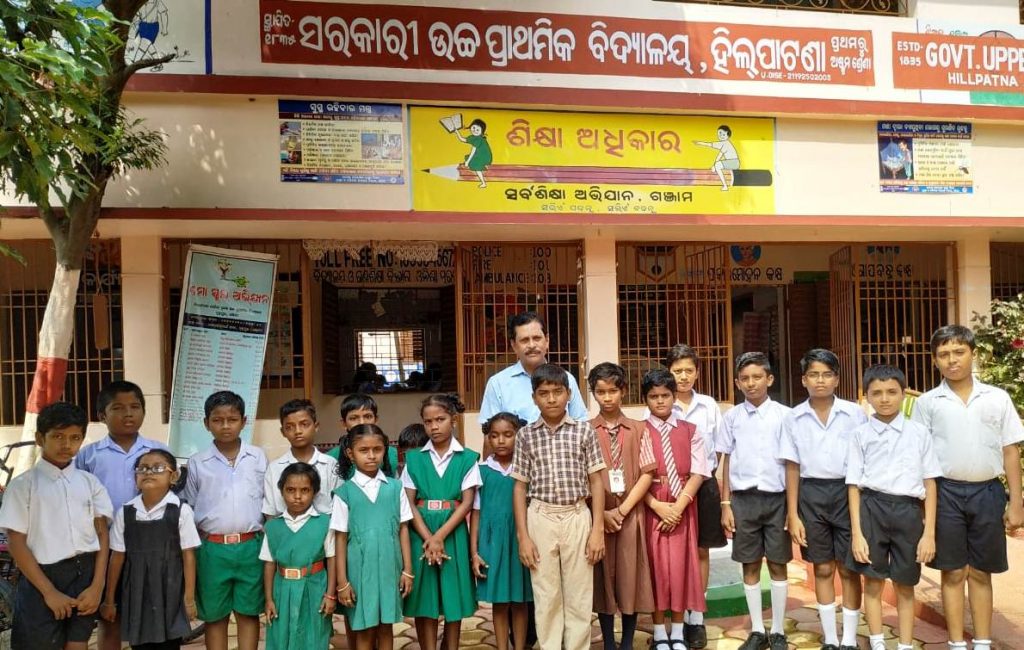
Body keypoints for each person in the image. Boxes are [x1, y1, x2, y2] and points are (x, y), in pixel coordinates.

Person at [910, 325, 1024, 650]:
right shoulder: (928, 403)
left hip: (987, 492)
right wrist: (923, 508)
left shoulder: (997, 398)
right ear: (934, 360)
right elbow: (919, 457)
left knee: (981, 573)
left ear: (973, 354)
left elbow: (1010, 451)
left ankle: (983, 642)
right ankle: (957, 643)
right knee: (952, 572)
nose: (952, 360)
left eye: (959, 352)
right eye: (943, 354)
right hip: (944, 494)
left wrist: (1016, 503)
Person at [0, 402, 113, 650]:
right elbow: (16, 542)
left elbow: (102, 534)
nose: (66, 444)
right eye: (58, 436)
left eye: (75, 438)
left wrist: (97, 586)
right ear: (40, 438)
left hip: (86, 575)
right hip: (41, 576)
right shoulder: (23, 486)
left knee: (78, 643)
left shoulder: (90, 483)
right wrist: (49, 592)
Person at [512, 363, 606, 650]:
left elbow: (597, 481)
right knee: (546, 594)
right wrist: (523, 536)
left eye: (557, 392)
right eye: (544, 393)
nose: (551, 399)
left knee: (579, 594)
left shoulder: (584, 431)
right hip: (540, 516)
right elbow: (519, 487)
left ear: (569, 394)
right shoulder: (526, 435)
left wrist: (597, 530)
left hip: (577, 515)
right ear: (534, 397)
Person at [779, 349, 867, 650]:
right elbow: (792, 466)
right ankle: (830, 638)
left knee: (849, 568)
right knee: (823, 567)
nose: (820, 380)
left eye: (827, 374)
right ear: (804, 380)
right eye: (814, 375)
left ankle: (850, 639)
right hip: (811, 495)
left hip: (847, 492)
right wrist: (793, 514)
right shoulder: (794, 418)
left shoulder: (854, 414)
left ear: (837, 379)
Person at [847, 365, 940, 650]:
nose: (884, 399)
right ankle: (877, 641)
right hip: (871, 509)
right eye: (877, 393)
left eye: (891, 392)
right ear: (867, 396)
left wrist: (929, 534)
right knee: (873, 582)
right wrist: (857, 534)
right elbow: (853, 485)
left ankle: (905, 644)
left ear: (903, 394)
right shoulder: (860, 434)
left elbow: (930, 483)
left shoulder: (919, 433)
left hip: (908, 512)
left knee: (905, 583)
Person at [74, 380, 169, 650]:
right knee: (110, 616)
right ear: (102, 415)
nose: (128, 414)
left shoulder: (158, 452)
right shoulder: (88, 456)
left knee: (150, 616)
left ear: (144, 411)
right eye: (118, 408)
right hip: (106, 549)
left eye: (135, 407)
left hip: (150, 547)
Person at [716, 352, 792, 650]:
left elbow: (792, 463)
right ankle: (758, 630)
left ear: (769, 379)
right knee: (749, 564)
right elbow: (726, 459)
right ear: (737, 383)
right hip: (743, 501)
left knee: (778, 563)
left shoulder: (785, 416)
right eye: (745, 378)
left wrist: (792, 509)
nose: (751, 383)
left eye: (757, 377)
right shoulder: (732, 417)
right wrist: (726, 505)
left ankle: (778, 630)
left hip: (777, 499)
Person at [182, 391, 268, 650]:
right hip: (212, 549)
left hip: (251, 546)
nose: (226, 426)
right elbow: (190, 506)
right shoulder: (197, 463)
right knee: (214, 616)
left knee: (248, 613)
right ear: (206, 423)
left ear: (244, 421)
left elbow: (268, 501)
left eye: (232, 419)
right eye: (218, 420)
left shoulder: (258, 457)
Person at [402, 394, 481, 650]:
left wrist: (439, 537)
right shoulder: (414, 459)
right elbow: (409, 502)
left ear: (453, 420)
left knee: (453, 594)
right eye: (428, 422)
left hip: (453, 532)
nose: (434, 426)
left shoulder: (467, 458)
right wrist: (429, 538)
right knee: (424, 598)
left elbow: (467, 502)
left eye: (440, 419)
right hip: (420, 532)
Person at [660, 344, 725, 649]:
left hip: (705, 484)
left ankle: (696, 618)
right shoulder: (661, 402)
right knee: (673, 551)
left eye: (688, 370)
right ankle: (675, 616)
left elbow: (719, 450)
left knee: (701, 550)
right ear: (668, 372)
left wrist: (709, 482)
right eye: (677, 371)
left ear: (697, 372)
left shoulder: (709, 405)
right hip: (672, 489)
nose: (683, 376)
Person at [587, 363, 655, 650]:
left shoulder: (639, 429)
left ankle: (627, 641)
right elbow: (581, 477)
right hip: (598, 515)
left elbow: (648, 473)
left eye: (613, 391)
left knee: (630, 576)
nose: (607, 397)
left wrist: (623, 510)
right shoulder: (585, 430)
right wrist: (602, 513)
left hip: (630, 513)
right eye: (600, 392)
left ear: (623, 391)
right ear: (593, 393)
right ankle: (608, 642)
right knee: (602, 577)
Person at [103, 449, 200, 649]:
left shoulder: (181, 511)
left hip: (170, 589)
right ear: (135, 478)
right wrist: (109, 599)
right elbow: (117, 557)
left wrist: (189, 598)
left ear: (173, 477)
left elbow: (188, 556)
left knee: (169, 641)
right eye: (143, 469)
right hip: (137, 589)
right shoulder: (125, 512)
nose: (148, 472)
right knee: (139, 641)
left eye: (157, 468)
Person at [642, 369, 708, 650]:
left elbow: (698, 472)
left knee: (681, 567)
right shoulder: (639, 431)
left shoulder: (690, 430)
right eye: (653, 396)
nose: (660, 401)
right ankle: (659, 632)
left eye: (665, 395)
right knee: (656, 569)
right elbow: (634, 476)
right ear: (645, 399)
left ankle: (679, 632)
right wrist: (657, 505)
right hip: (652, 502)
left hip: (683, 502)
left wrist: (678, 508)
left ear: (674, 397)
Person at [333, 424, 414, 650]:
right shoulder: (344, 493)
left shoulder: (395, 488)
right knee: (365, 629)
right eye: (364, 450)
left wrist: (407, 570)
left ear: (384, 451)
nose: (371, 455)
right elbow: (340, 539)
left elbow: (403, 529)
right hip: (359, 570)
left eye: (377, 449)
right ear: (351, 454)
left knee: (386, 626)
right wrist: (342, 582)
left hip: (390, 566)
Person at [471, 412, 533, 650]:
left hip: (520, 539)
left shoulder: (527, 468)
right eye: (494, 435)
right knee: (499, 601)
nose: (501, 440)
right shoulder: (481, 471)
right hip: (493, 543)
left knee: (520, 600)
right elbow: (476, 513)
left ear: (519, 435)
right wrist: (474, 551)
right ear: (488, 438)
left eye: (508, 434)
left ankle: (520, 646)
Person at [262, 462, 336, 650]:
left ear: (315, 492)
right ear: (281, 491)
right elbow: (269, 564)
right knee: (282, 635)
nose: (297, 496)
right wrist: (269, 599)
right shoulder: (273, 527)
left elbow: (332, 559)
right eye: (290, 490)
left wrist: (330, 595)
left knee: (314, 635)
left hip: (314, 588)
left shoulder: (324, 523)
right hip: (282, 591)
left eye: (305, 490)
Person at [478, 311, 587, 427]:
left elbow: (581, 424)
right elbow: (490, 432)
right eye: (524, 340)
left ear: (547, 340)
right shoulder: (497, 384)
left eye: (536, 338)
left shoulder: (567, 379)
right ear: (514, 345)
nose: (531, 345)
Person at [264, 399, 338, 517]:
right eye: (289, 427)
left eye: (304, 424)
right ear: (283, 432)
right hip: (285, 528)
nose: (297, 431)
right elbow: (270, 513)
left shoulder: (331, 465)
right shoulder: (274, 469)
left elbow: (339, 511)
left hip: (325, 527)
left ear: (316, 426)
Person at [327, 393, 399, 479]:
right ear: (344, 424)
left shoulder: (392, 454)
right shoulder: (330, 458)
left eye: (368, 417)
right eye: (353, 418)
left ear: (376, 420)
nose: (362, 422)